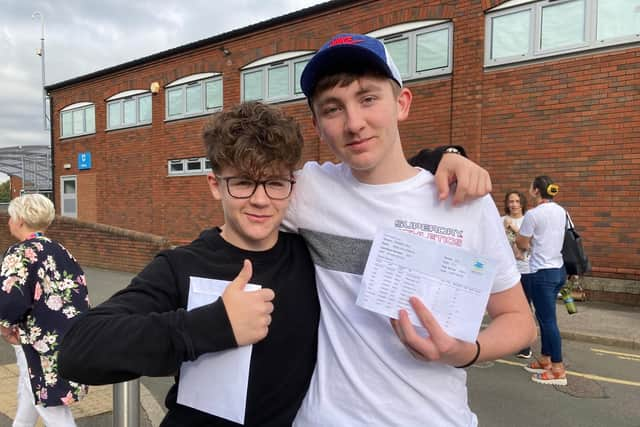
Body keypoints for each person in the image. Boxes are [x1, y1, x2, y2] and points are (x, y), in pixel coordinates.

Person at [57, 101, 486, 426]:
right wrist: (210, 326)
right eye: (242, 182)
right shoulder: (179, 266)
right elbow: (78, 351)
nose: (260, 199)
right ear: (214, 185)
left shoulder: (311, 255)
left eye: (274, 183)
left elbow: (373, 188)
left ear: (292, 186)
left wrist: (441, 157)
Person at [287, 33, 536, 426]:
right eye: (333, 109)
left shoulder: (466, 203)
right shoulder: (306, 192)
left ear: (401, 103)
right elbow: (239, 186)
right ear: (317, 126)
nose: (354, 123)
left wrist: (463, 351)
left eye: (368, 99)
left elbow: (519, 320)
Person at [0, 194, 89, 427]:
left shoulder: (18, 252)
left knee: (51, 407)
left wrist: (5, 325)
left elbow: (11, 299)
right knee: (30, 392)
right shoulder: (59, 249)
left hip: (35, 340)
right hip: (66, 336)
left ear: (19, 220)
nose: (8, 221)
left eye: (10, 217)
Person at [517, 176, 568, 385]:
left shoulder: (533, 214)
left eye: (531, 187)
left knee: (548, 322)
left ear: (536, 191)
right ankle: (546, 359)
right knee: (546, 318)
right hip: (559, 270)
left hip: (542, 272)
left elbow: (521, 242)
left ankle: (558, 369)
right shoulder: (561, 210)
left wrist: (524, 243)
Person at [502, 190, 534, 359]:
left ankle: (525, 345)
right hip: (508, 270)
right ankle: (511, 341)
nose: (513, 204)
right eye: (510, 201)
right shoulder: (501, 221)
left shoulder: (527, 220)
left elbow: (530, 246)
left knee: (525, 307)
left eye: (516, 201)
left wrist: (514, 229)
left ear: (522, 203)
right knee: (508, 308)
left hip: (525, 269)